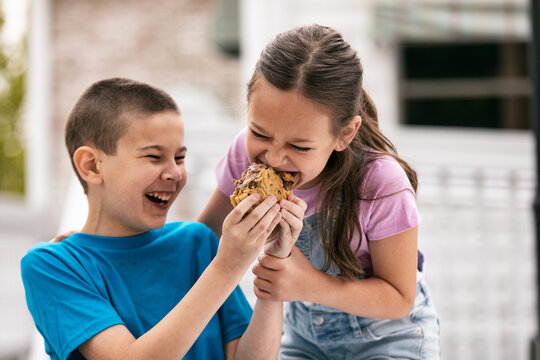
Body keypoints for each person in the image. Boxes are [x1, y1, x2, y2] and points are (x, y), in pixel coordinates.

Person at [197, 24, 441, 359]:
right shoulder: (243, 153)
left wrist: (308, 284)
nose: (274, 158)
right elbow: (204, 239)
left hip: (389, 340)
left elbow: (399, 298)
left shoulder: (381, 182)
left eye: (299, 146)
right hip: (305, 341)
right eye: (259, 132)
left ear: (345, 134)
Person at [20, 77, 288, 360]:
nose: (174, 172)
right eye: (153, 156)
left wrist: (275, 263)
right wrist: (227, 267)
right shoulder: (53, 265)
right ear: (92, 166)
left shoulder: (198, 243)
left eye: (180, 158)